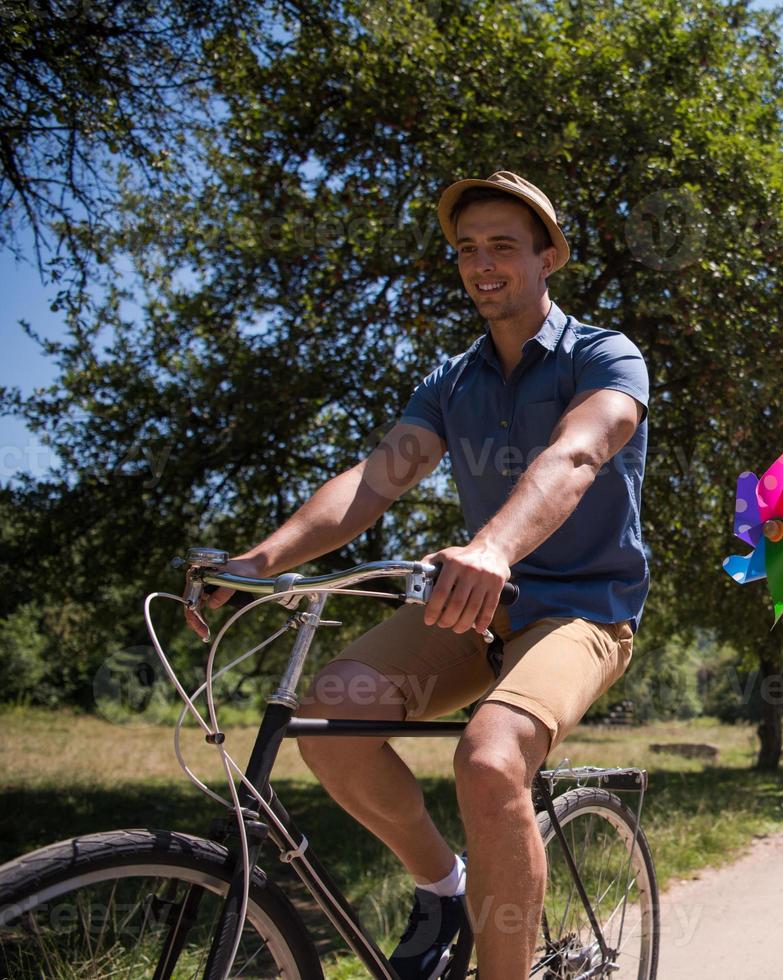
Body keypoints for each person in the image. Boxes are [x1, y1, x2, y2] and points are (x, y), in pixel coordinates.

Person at [185, 171, 650, 980]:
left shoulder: (604, 355)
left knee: (490, 756)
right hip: (475, 605)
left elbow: (575, 453)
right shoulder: (452, 381)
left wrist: (495, 545)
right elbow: (374, 482)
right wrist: (260, 560)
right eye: (466, 250)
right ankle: (443, 885)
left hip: (583, 610)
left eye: (503, 246)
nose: (482, 263)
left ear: (549, 258)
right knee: (330, 719)